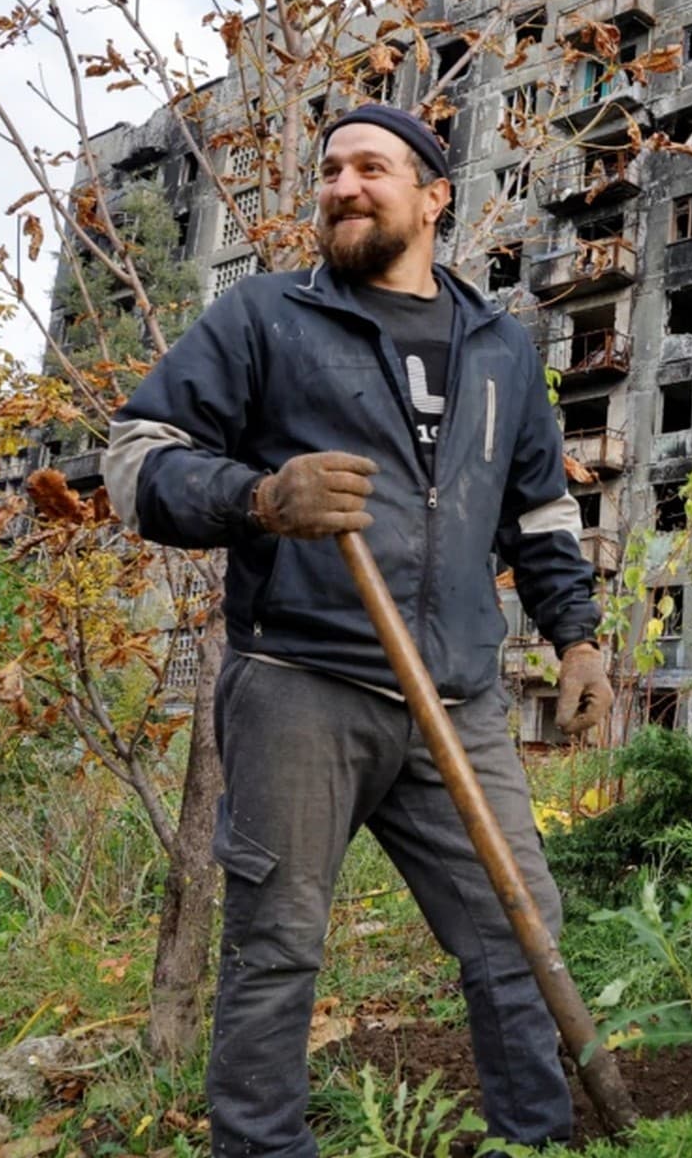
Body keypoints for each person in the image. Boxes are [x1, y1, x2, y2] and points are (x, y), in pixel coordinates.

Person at [103, 104, 611, 1155]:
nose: (341, 185)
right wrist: (257, 497)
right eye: (329, 169)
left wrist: (577, 637)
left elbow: (542, 512)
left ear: (433, 196)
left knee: (520, 936)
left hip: (457, 698)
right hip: (302, 680)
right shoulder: (263, 318)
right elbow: (132, 457)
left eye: (370, 168)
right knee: (277, 950)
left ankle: (536, 1138)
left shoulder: (501, 348)